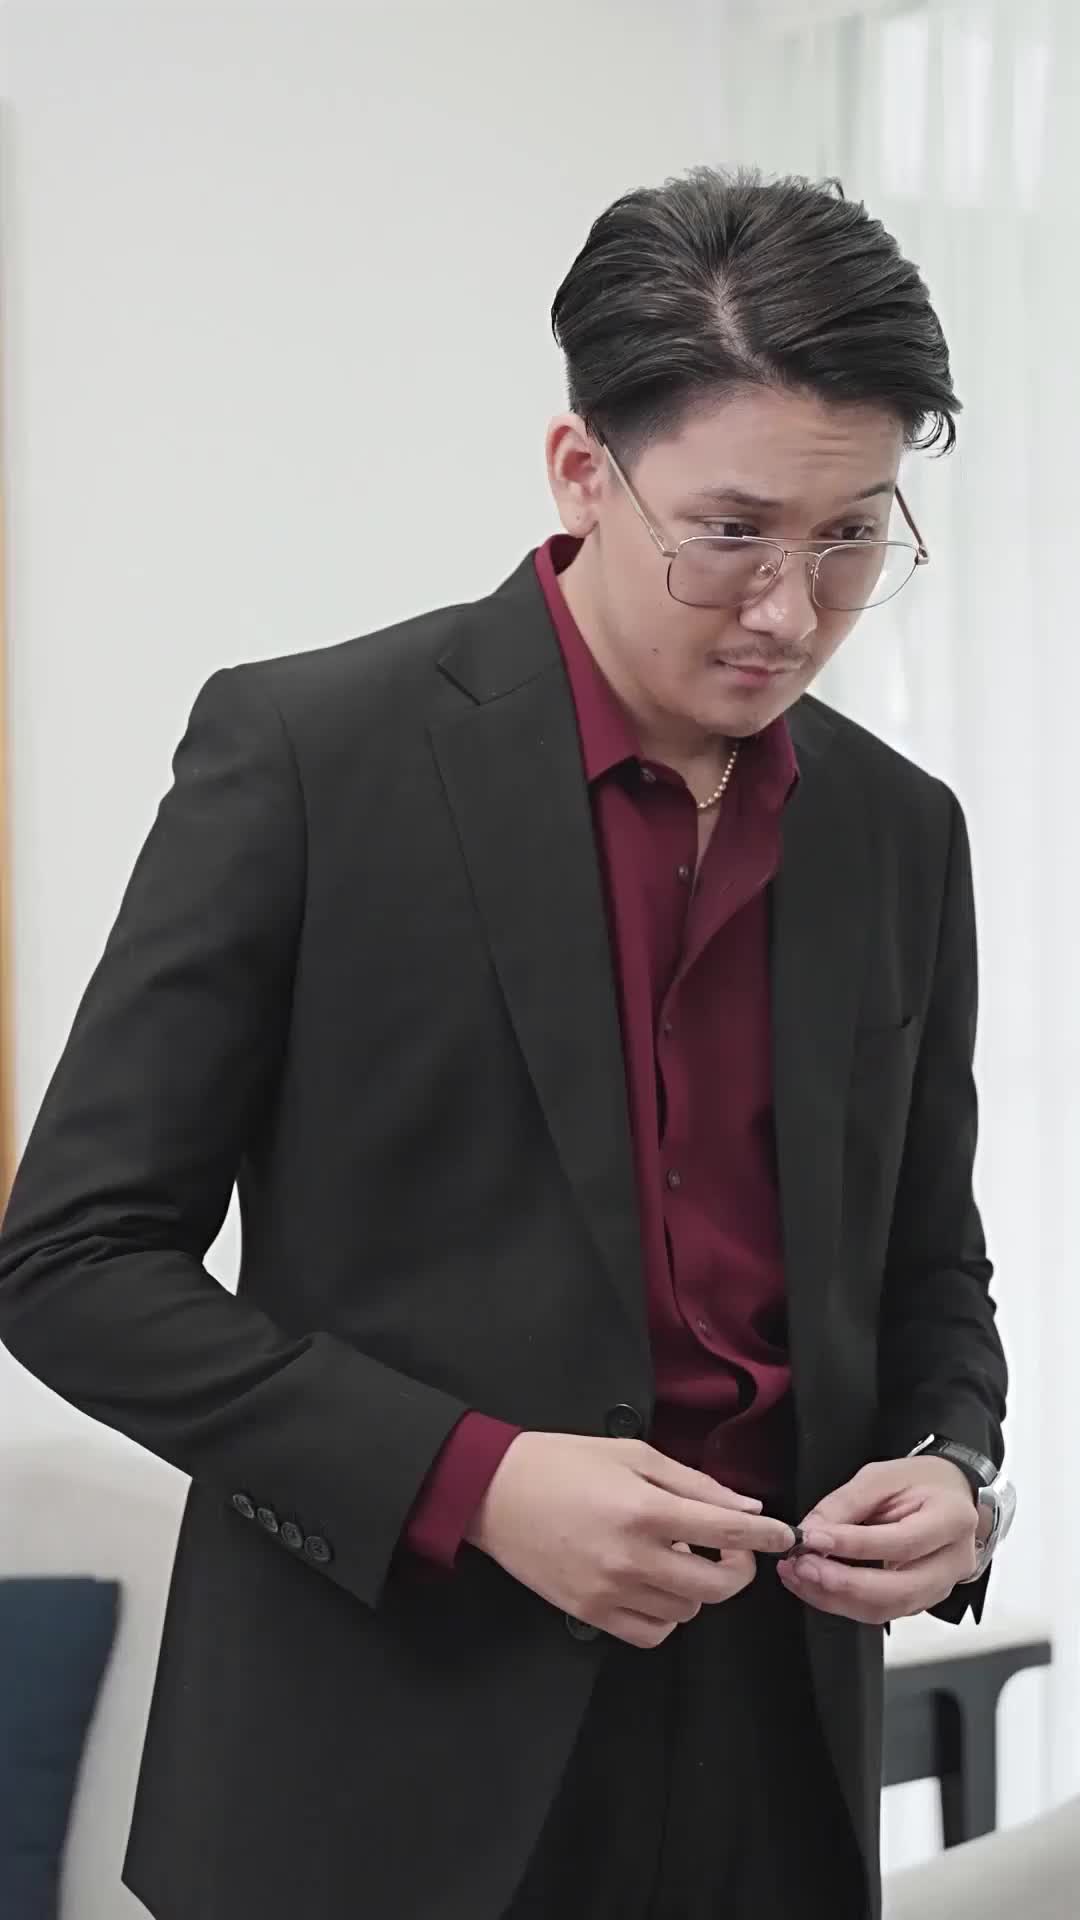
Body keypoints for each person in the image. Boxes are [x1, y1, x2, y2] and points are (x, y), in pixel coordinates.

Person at [0, 166, 1012, 1920]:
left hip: (779, 1755)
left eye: (854, 537)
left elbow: (929, 1264)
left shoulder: (899, 829)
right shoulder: (308, 757)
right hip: (380, 1767)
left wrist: (957, 1470)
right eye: (732, 533)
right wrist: (475, 1482)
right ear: (579, 472)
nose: (793, 609)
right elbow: (72, 1263)